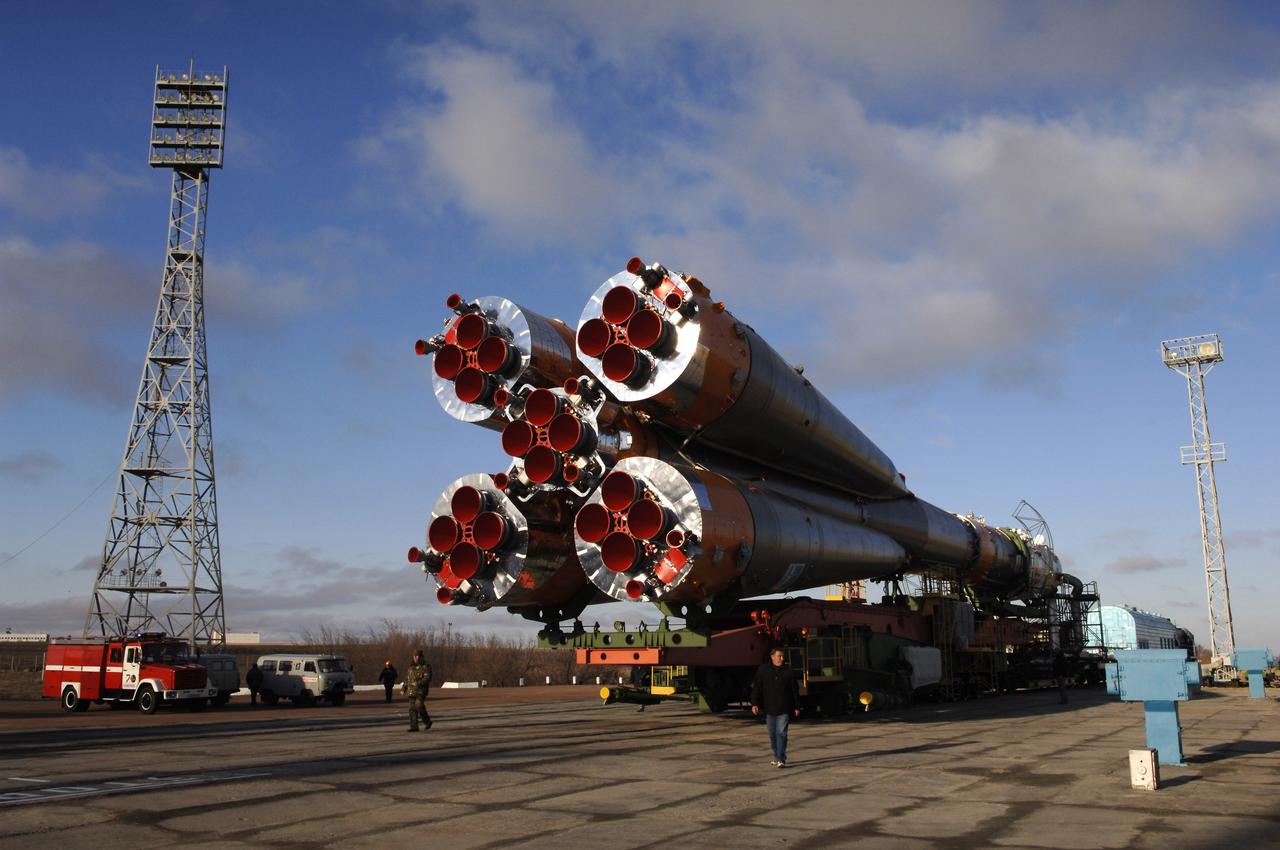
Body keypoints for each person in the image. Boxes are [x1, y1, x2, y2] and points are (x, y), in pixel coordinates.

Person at [751, 647, 800, 768]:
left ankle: (781, 759)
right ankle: (777, 756)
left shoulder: (788, 671)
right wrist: (755, 703)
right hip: (769, 709)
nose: (782, 659)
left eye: (783, 656)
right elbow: (757, 687)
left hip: (784, 709)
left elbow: (795, 691)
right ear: (772, 657)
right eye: (779, 656)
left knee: (782, 734)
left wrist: (797, 707)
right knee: (773, 735)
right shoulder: (763, 670)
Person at [402, 649, 433, 732]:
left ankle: (427, 721)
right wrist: (403, 688)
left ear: (421, 657)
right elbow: (407, 678)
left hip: (421, 691)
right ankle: (414, 727)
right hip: (411, 691)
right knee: (412, 709)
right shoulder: (411, 667)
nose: (415, 658)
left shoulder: (426, 666)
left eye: (417, 656)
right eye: (414, 656)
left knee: (419, 705)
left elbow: (427, 678)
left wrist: (418, 683)